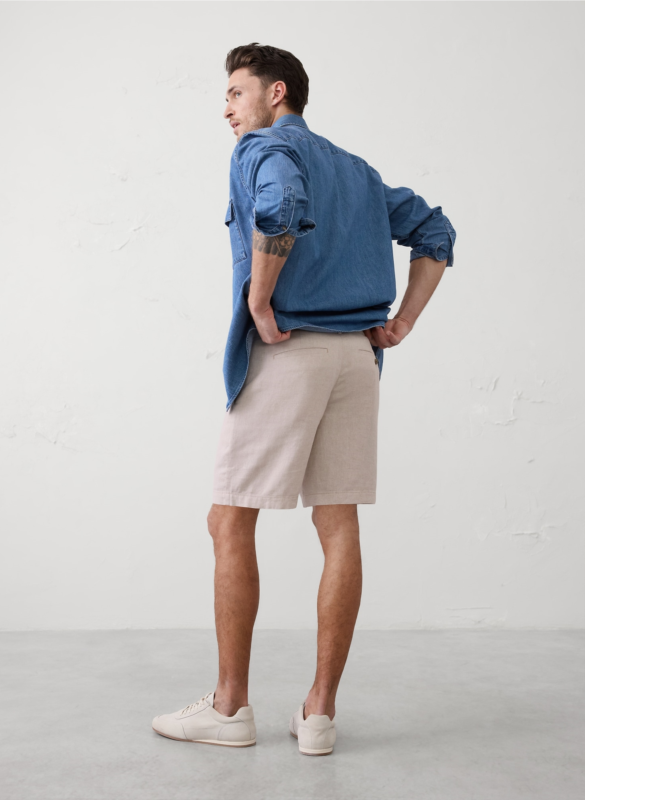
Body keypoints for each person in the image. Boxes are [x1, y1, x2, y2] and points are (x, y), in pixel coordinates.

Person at [153, 43, 456, 756]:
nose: (227, 109)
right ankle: (318, 714)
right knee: (338, 523)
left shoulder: (265, 148)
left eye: (236, 92)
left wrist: (260, 301)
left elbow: (281, 205)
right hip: (356, 359)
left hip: (291, 353)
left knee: (229, 518)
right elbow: (436, 232)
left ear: (276, 92)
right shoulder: (356, 171)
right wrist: (403, 321)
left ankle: (230, 708)